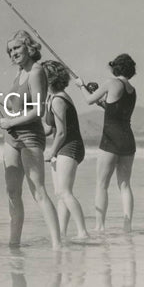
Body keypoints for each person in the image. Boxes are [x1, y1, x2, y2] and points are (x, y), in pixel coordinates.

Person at [0, 30, 61, 250]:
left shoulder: (36, 72)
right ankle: (14, 243)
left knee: (38, 191)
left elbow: (39, 111)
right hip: (11, 138)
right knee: (12, 192)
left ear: (29, 47)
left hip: (30, 137)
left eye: (16, 48)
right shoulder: (20, 74)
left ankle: (57, 244)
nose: (12, 53)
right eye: (10, 50)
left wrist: (11, 123)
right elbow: (9, 103)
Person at [75, 54, 136, 232]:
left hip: (111, 138)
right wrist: (104, 104)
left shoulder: (111, 83)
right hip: (128, 139)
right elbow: (116, 111)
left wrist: (81, 86)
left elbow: (88, 99)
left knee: (102, 184)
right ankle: (127, 225)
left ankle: (99, 226)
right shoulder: (132, 90)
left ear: (115, 67)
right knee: (125, 185)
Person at [41, 60, 88, 239]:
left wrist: (51, 153)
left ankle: (83, 233)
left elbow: (61, 133)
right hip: (63, 147)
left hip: (70, 146)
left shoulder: (58, 99)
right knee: (60, 193)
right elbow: (48, 130)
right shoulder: (52, 98)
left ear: (49, 80)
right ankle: (62, 233)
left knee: (64, 192)